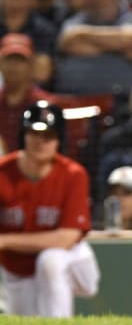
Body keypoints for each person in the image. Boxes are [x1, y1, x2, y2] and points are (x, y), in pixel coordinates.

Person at [0, 100, 100, 316]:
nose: (41, 142)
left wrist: (5, 241)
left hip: (72, 261)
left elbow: (66, 238)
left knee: (50, 260)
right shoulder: (3, 173)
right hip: (19, 270)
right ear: (23, 136)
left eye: (49, 136)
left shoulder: (73, 174)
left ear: (59, 140)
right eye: (35, 134)